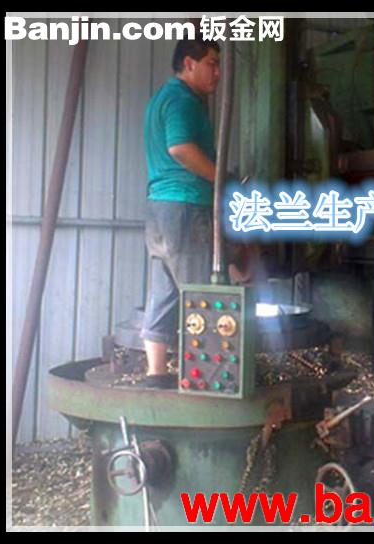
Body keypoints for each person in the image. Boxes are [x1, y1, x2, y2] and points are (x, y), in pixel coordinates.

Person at [140, 35, 221, 388]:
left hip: (159, 209)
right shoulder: (183, 100)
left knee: (164, 293)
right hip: (186, 206)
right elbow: (180, 148)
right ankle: (204, 378)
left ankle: (156, 374)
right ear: (189, 64)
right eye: (211, 64)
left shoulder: (160, 98)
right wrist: (222, 179)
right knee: (200, 294)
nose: (217, 73)